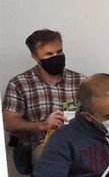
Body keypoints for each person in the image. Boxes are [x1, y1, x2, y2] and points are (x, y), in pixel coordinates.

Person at [3, 29, 85, 162]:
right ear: (35, 57)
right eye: (49, 54)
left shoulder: (81, 81)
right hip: (44, 144)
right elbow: (9, 123)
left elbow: (96, 114)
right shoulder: (19, 84)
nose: (56, 57)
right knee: (52, 157)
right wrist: (43, 125)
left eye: (59, 52)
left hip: (79, 142)